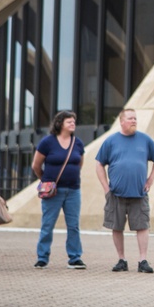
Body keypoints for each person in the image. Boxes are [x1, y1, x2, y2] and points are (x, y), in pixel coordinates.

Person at [95, 109, 154, 274]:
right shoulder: (110, 141)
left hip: (139, 194)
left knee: (142, 226)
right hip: (116, 194)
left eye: (135, 118)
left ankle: (143, 260)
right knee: (116, 227)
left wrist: (151, 179)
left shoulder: (145, 140)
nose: (134, 121)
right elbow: (99, 164)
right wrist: (106, 187)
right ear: (122, 121)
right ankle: (121, 259)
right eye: (130, 118)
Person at [33, 111, 87, 269]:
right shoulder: (47, 142)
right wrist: (45, 180)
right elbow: (36, 165)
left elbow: (79, 164)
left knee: (73, 225)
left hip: (73, 190)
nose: (72, 124)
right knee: (48, 224)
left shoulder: (78, 143)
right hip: (53, 192)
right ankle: (42, 257)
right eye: (69, 121)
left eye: (74, 122)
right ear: (60, 124)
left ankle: (75, 257)